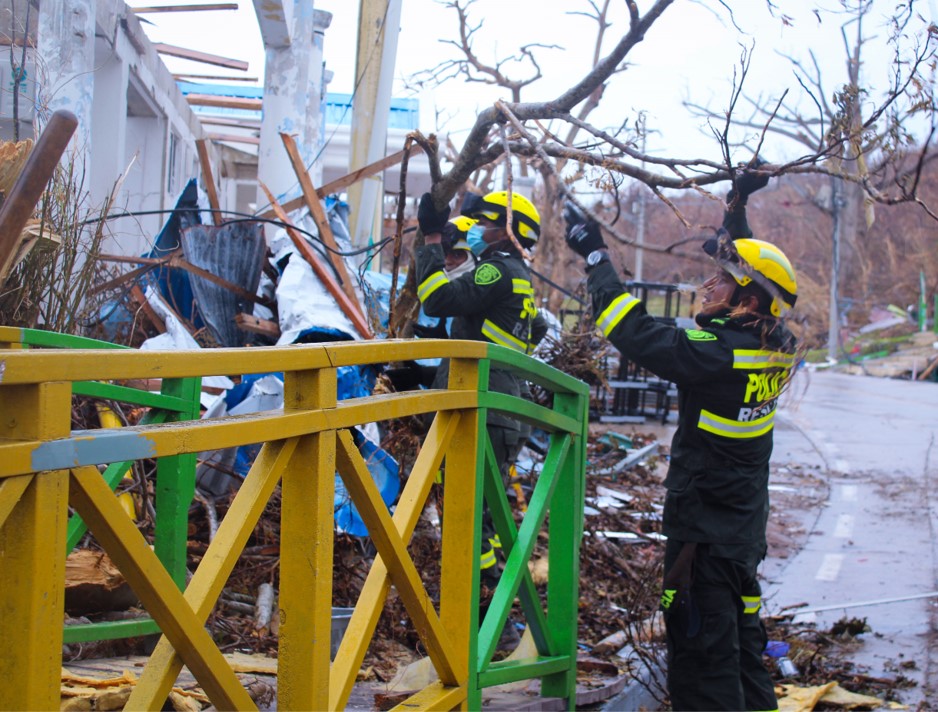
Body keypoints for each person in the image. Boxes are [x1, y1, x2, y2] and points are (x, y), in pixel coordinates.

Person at [564, 167, 797, 711]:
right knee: (741, 648)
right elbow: (746, 269)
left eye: (722, 281)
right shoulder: (771, 344)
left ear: (747, 301)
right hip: (738, 533)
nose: (709, 284)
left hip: (705, 538)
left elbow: (633, 331)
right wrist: (735, 205)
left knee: (702, 661)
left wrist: (597, 258)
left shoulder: (716, 354)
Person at [414, 189, 547, 649]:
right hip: (500, 411)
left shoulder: (496, 269)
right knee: (483, 524)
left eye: (480, 223)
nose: (473, 230)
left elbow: (435, 299)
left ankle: (482, 630)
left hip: (485, 412)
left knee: (472, 523)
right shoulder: (520, 276)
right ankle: (489, 626)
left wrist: (431, 238)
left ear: (505, 230)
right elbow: (538, 329)